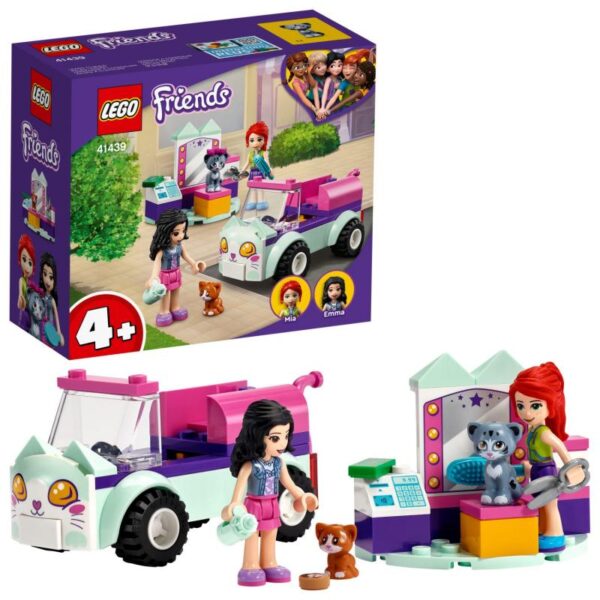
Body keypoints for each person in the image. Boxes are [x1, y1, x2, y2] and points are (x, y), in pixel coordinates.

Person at [222, 400, 318, 586]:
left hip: (272, 504)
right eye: (275, 438)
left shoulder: (279, 463)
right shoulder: (250, 465)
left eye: (285, 436)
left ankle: (269, 563)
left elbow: (290, 485)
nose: (282, 443)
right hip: (253, 506)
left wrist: (303, 496)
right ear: (257, 436)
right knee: (251, 534)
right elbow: (239, 491)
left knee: (270, 534)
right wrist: (234, 504)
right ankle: (250, 566)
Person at [510, 362, 586, 553]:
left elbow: (560, 447)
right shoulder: (532, 429)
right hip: (537, 470)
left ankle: (555, 536)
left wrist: (572, 467)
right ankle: (544, 531)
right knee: (541, 503)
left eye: (535, 406)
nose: (527, 413)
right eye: (521, 406)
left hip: (546, 471)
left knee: (550, 504)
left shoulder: (544, 432)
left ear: (550, 406)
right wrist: (529, 466)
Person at [146, 209, 206, 327]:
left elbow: (186, 256)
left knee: (176, 290)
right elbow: (157, 263)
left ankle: (175, 307)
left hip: (176, 273)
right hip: (165, 274)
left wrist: (194, 264)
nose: (181, 235)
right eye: (176, 233)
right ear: (165, 231)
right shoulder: (163, 250)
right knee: (165, 293)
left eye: (183, 231)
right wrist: (153, 276)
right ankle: (164, 311)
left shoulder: (179, 246)